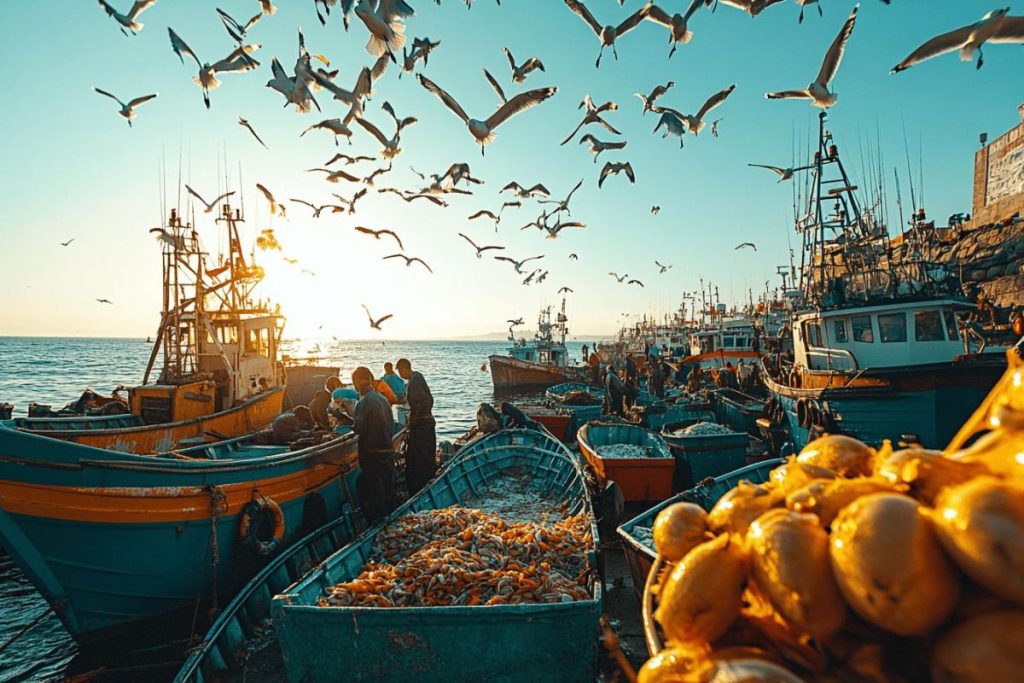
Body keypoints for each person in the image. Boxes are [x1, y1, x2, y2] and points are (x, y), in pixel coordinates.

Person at [351, 366, 397, 524]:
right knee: (387, 494)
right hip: (388, 453)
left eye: (356, 383)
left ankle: (378, 529)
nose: (357, 386)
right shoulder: (383, 399)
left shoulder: (362, 404)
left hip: (373, 456)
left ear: (356, 384)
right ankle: (390, 525)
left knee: (375, 499)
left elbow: (358, 431)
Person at [397, 358, 436, 495]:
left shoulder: (415, 381)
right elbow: (428, 400)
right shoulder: (416, 378)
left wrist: (413, 422)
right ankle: (426, 480)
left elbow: (420, 403)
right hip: (424, 423)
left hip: (422, 425)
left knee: (418, 458)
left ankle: (420, 485)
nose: (400, 375)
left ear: (404, 368)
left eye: (400, 371)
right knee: (424, 456)